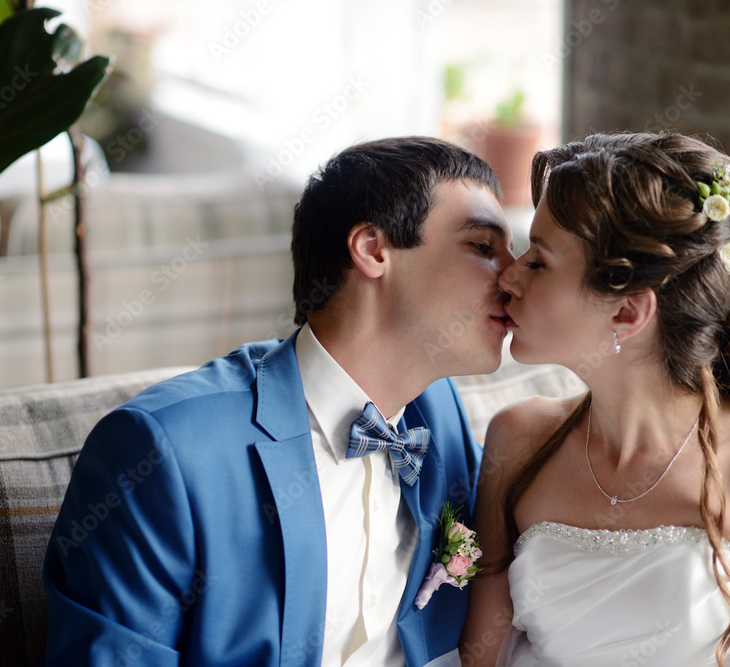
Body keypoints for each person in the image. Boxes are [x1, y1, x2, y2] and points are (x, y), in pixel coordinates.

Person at [40, 136, 518, 666]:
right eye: (482, 246)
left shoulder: (438, 413)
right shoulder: (161, 450)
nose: (515, 277)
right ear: (373, 250)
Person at [460, 132, 730, 666]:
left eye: (539, 261)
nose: (508, 276)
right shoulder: (518, 441)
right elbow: (476, 658)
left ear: (628, 312)